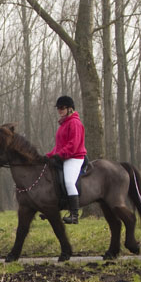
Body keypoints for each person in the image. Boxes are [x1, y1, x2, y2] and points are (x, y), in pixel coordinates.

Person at [46, 95, 87, 224]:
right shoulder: (64, 124)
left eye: (62, 108)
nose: (59, 110)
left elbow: (73, 145)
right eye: (58, 108)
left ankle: (74, 215)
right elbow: (59, 146)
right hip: (65, 156)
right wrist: (49, 156)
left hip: (74, 157)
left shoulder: (75, 123)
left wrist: (59, 155)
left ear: (70, 109)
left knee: (69, 182)